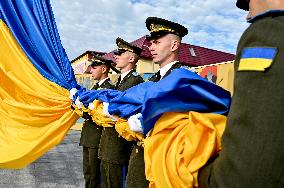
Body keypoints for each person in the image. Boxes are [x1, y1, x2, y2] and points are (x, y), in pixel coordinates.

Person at [198, 1, 284, 187]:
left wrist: (190, 168)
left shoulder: (270, 31)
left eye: (250, 3)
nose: (248, 16)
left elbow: (243, 177)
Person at [125, 17, 189, 188]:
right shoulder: (153, 79)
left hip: (162, 163)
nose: (150, 47)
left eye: (157, 42)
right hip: (140, 158)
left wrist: (150, 122)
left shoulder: (183, 79)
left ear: (174, 46)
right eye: (150, 43)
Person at [99, 37, 144, 188]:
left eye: (120, 53)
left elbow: (124, 111)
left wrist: (108, 109)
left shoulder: (135, 82)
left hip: (119, 147)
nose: (116, 56)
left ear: (131, 58)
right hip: (109, 145)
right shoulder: (120, 81)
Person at [79, 54, 115, 188]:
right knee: (88, 174)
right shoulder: (94, 88)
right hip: (88, 137)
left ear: (104, 69)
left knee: (95, 177)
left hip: (97, 137)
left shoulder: (109, 89)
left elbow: (103, 115)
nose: (91, 70)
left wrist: (87, 109)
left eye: (94, 67)